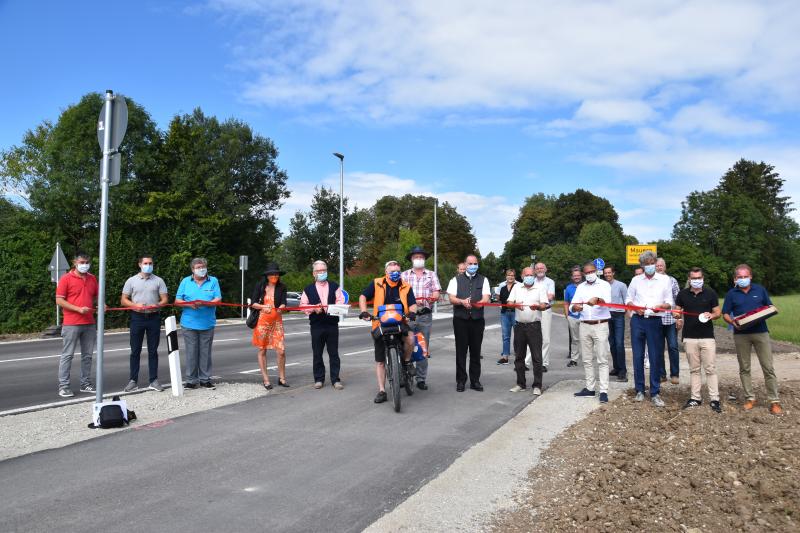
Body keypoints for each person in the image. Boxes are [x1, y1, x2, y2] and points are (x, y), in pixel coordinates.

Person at [722, 264, 782, 414]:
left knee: (768, 367)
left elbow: (769, 306)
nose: (743, 279)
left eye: (745, 276)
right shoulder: (731, 294)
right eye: (740, 277)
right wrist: (732, 322)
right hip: (741, 334)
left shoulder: (760, 290)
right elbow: (725, 314)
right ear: (735, 279)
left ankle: (774, 401)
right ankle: (750, 398)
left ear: (751, 277)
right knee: (744, 368)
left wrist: (772, 309)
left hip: (761, 332)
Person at [359, 260, 418, 403]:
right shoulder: (377, 283)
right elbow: (363, 296)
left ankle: (408, 362)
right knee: (380, 361)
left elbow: (413, 304)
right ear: (386, 272)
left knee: (410, 338)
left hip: (400, 322)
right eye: (392, 272)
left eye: (398, 271)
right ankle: (382, 390)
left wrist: (411, 313)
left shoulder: (406, 286)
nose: (395, 274)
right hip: (380, 323)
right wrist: (364, 311)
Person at [626, 250, 674, 407]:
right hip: (638, 320)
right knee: (638, 356)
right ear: (642, 266)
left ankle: (655, 392)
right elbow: (628, 299)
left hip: (655, 321)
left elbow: (669, 302)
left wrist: (661, 306)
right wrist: (634, 307)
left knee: (655, 356)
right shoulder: (635, 280)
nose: (650, 266)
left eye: (652, 263)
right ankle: (639, 390)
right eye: (646, 264)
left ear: (655, 263)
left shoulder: (664, 280)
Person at [673, 267, 722, 413]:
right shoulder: (682, 294)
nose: (697, 281)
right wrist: (677, 316)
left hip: (707, 337)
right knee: (694, 370)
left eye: (699, 278)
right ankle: (695, 398)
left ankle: (715, 399)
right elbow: (677, 310)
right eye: (694, 279)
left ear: (703, 279)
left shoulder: (710, 293)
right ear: (689, 279)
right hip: (689, 337)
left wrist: (712, 316)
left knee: (710, 369)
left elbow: (718, 312)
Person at [121, 254, 168, 392]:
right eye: (146, 263)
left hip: (154, 318)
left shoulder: (159, 280)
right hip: (137, 318)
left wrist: (157, 305)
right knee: (135, 350)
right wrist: (135, 305)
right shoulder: (131, 281)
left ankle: (153, 380)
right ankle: (133, 380)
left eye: (151, 263)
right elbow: (124, 300)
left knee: (153, 351)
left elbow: (165, 299)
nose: (149, 265)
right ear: (140, 264)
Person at [56, 251, 99, 397]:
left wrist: (102, 304)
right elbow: (59, 300)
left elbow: (97, 296)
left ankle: (85, 383)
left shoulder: (92, 278)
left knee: (87, 356)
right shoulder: (66, 279)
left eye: (87, 263)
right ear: (75, 263)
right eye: (82, 263)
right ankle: (64, 386)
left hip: (89, 323)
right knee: (67, 355)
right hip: (71, 323)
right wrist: (78, 309)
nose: (85, 265)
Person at [174, 257, 222, 389]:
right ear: (192, 270)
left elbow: (218, 299)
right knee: (191, 352)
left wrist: (207, 303)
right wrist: (189, 304)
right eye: (198, 267)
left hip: (207, 323)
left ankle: (205, 379)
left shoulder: (213, 281)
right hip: (189, 323)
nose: (201, 269)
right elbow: (177, 301)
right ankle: (191, 380)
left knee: (205, 352)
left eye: (203, 267)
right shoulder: (185, 281)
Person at [571, 262, 613, 403]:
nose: (589, 274)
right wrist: (575, 308)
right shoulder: (581, 287)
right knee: (587, 359)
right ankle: (590, 388)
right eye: (587, 273)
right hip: (584, 325)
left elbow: (608, 302)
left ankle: (603, 391)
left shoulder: (604, 285)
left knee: (602, 358)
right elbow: (572, 305)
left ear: (596, 271)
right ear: (584, 274)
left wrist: (598, 300)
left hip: (600, 324)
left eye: (592, 272)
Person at [447, 254, 491, 391]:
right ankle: (461, 381)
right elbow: (451, 298)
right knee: (461, 351)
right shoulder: (455, 280)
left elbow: (486, 298)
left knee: (475, 351)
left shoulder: (484, 280)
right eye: (470, 264)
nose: (473, 266)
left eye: (475, 263)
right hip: (460, 320)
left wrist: (478, 303)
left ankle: (475, 381)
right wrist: (461, 301)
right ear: (465, 265)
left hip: (477, 320)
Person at [300, 260, 346, 390]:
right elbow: (303, 306)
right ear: (314, 273)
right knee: (317, 353)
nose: (322, 273)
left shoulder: (334, 286)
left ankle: (335, 379)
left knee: (334, 353)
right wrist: (313, 308)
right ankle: (319, 379)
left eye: (324, 271)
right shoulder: (308, 289)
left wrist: (334, 308)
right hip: (316, 325)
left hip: (331, 324)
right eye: (319, 271)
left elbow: (341, 301)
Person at [401, 246, 441, 390]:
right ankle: (403, 374)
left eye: (421, 257)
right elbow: (399, 294)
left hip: (424, 315)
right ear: (411, 259)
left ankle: (421, 379)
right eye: (416, 257)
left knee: (423, 347)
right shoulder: (404, 275)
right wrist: (411, 302)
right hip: (408, 316)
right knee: (406, 344)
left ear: (424, 259)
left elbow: (436, 292)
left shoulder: (431, 274)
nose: (419, 259)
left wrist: (431, 298)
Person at [507, 267, 549, 395]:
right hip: (519, 326)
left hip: (534, 326)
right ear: (522, 275)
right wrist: (515, 305)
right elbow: (508, 303)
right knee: (519, 356)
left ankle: (537, 385)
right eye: (527, 275)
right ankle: (521, 383)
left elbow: (545, 305)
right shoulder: (516, 287)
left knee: (537, 357)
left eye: (532, 274)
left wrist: (538, 306)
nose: (529, 277)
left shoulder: (540, 288)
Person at [251, 263, 288, 390]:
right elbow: (254, 304)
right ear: (267, 276)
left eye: (276, 274)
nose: (274, 276)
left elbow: (284, 303)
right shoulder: (260, 286)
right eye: (272, 274)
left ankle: (282, 378)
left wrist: (282, 308)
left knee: (281, 351)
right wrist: (262, 306)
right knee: (262, 350)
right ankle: (266, 379)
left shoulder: (282, 287)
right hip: (262, 323)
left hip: (277, 322)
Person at [656, 257, 680, 384]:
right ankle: (661, 374)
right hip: (657, 320)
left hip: (670, 320)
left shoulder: (672, 281)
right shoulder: (652, 282)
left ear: (665, 267)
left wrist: (679, 318)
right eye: (657, 266)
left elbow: (678, 300)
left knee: (673, 347)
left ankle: (675, 374)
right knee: (658, 348)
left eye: (661, 265)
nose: (659, 268)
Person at [528, 262, 555, 372]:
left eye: (541, 268)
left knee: (545, 338)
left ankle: (543, 363)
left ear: (546, 269)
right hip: (533, 310)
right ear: (534, 270)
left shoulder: (550, 282)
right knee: (530, 335)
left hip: (545, 311)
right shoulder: (531, 281)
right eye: (537, 268)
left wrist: (536, 300)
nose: (539, 270)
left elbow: (550, 296)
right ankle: (527, 361)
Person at [603, 264, 628, 382]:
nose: (607, 274)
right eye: (605, 273)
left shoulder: (621, 285)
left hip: (618, 316)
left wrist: (626, 313)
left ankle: (623, 370)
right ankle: (616, 367)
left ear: (613, 273)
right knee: (612, 343)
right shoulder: (602, 286)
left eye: (609, 272)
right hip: (606, 316)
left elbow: (626, 300)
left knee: (619, 343)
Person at [497, 269, 519, 365]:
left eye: (513, 275)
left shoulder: (519, 287)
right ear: (506, 276)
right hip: (505, 313)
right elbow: (499, 299)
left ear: (515, 277)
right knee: (505, 336)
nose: (511, 277)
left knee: (518, 336)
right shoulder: (502, 288)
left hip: (516, 313)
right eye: (509, 275)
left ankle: (519, 356)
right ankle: (505, 357)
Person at [563, 267, 583, 368]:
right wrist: (567, 315)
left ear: (581, 276)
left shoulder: (586, 287)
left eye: (578, 275)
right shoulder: (569, 288)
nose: (576, 277)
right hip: (573, 317)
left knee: (587, 339)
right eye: (575, 276)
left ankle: (588, 358)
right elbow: (566, 302)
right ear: (572, 277)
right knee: (575, 339)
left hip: (585, 317)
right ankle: (574, 359)